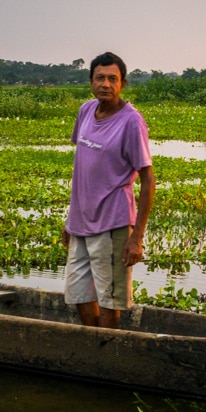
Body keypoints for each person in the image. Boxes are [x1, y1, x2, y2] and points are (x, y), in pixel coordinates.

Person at [63, 52, 154, 329]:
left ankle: (105, 353)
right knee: (79, 293)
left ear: (122, 84)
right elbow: (84, 170)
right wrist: (70, 220)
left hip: (113, 223)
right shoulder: (86, 111)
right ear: (91, 81)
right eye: (100, 78)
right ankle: (93, 348)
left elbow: (148, 179)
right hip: (80, 224)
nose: (106, 84)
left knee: (109, 300)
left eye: (112, 79)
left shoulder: (131, 122)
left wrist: (136, 236)